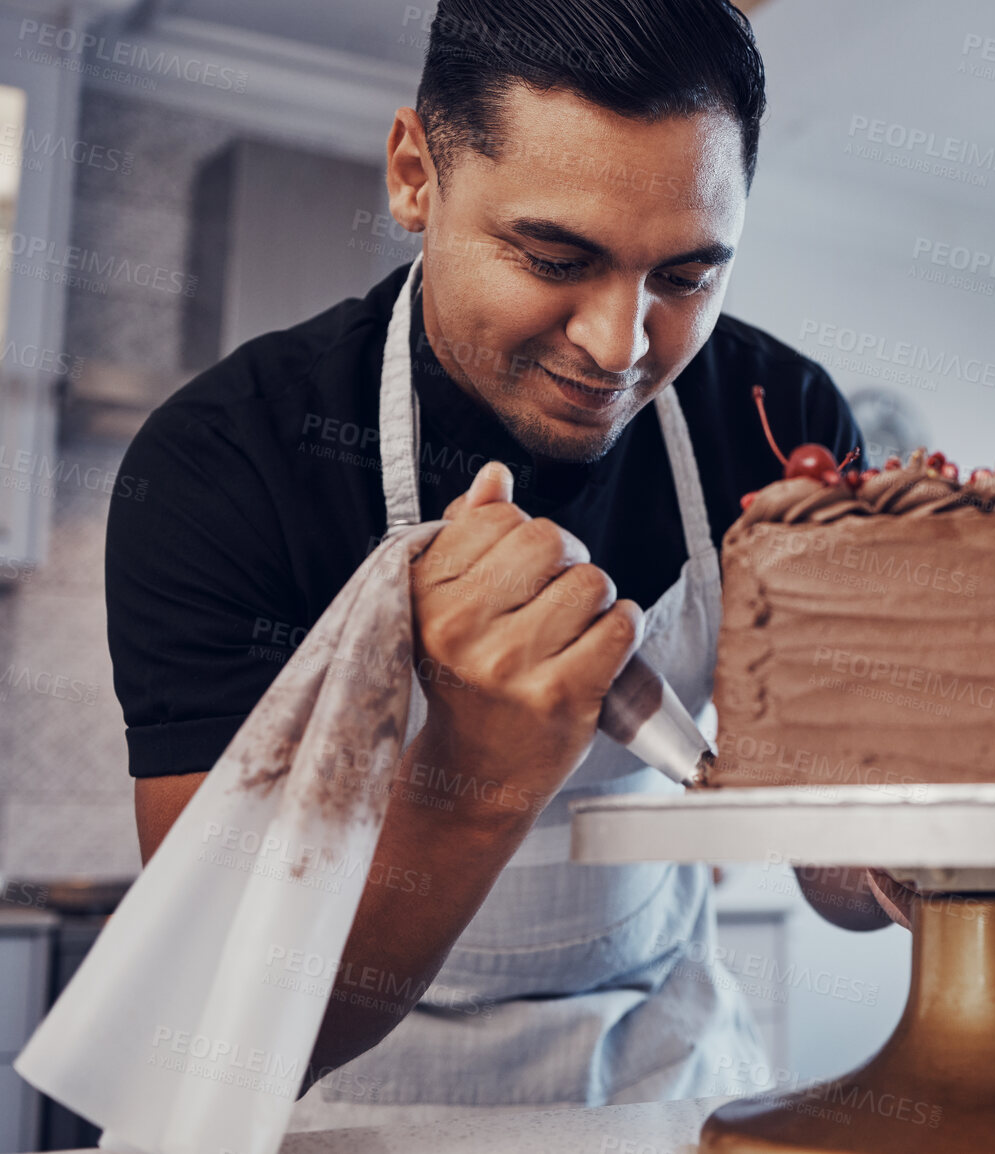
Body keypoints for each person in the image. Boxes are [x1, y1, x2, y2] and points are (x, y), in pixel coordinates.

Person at [106, 0, 899, 1126]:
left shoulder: (784, 422)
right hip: (340, 1103)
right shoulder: (220, 460)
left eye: (684, 276)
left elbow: (835, 871)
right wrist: (474, 775)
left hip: (662, 1084)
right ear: (415, 175)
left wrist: (921, 855)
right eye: (555, 257)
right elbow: (209, 1027)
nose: (619, 346)